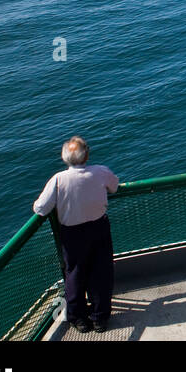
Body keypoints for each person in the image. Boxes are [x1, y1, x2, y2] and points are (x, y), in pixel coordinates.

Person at [33, 137, 119, 333]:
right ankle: (100, 317)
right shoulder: (101, 172)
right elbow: (114, 186)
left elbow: (40, 208)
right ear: (86, 155)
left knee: (75, 275)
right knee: (101, 273)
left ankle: (78, 318)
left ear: (65, 158)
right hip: (99, 228)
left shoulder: (58, 180)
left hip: (72, 234)